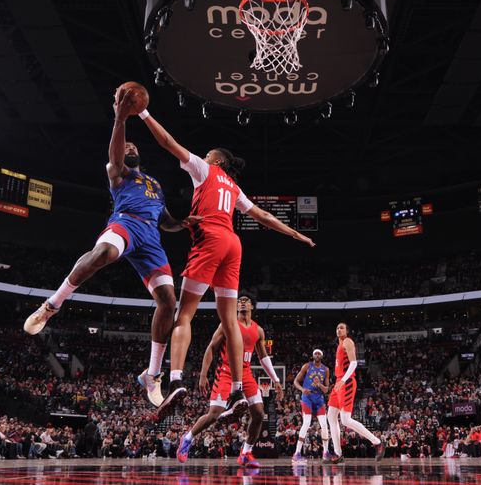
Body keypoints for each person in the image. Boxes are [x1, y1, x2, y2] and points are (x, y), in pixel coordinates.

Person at [23, 86, 200, 408]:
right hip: (125, 223)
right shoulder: (117, 173)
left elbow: (165, 220)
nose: (128, 146)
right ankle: (52, 304)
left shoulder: (155, 184)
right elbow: (115, 153)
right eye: (125, 145)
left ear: (140, 154)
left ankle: (153, 373)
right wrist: (120, 119)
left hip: (151, 238)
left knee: (168, 302)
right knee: (104, 253)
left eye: (133, 145)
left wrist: (181, 223)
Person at [139, 110, 315, 419]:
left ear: (216, 161)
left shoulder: (204, 170)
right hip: (234, 244)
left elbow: (167, 141)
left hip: (210, 239)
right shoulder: (234, 189)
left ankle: (176, 378)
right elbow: (263, 216)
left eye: (208, 155)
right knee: (230, 321)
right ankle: (237, 386)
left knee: (184, 315)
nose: (203, 157)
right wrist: (295, 233)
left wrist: (143, 113)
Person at [176, 293, 283, 467]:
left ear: (252, 307)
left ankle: (246, 453)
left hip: (246, 372)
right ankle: (187, 438)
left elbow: (263, 358)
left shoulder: (258, 330)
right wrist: (203, 375)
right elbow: (211, 348)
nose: (241, 303)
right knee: (214, 414)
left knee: (258, 413)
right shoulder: (227, 324)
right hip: (225, 372)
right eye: (239, 301)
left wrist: (276, 380)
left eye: (246, 301)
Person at [325, 323, 385, 463]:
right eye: (337, 328)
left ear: (347, 331)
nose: (338, 329)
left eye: (341, 327)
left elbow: (354, 363)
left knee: (345, 420)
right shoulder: (339, 345)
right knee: (331, 416)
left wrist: (343, 380)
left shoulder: (348, 341)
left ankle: (377, 442)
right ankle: (338, 453)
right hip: (339, 383)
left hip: (346, 382)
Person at [292, 349, 331, 462]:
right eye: (315, 353)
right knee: (306, 423)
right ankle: (297, 453)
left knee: (324, 425)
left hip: (319, 398)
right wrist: (302, 389)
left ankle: (325, 452)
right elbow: (295, 381)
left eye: (319, 353)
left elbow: (326, 390)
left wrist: (320, 385)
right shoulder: (307, 366)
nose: (317, 355)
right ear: (313, 355)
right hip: (307, 398)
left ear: (322, 356)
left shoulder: (326, 369)